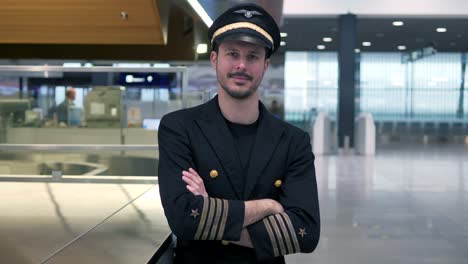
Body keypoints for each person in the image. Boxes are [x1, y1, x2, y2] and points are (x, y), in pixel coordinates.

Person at [157, 3, 320, 263]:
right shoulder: (179, 128)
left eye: (253, 56)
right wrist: (266, 207)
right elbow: (183, 219)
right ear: (215, 59)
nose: (241, 65)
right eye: (232, 53)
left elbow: (306, 233)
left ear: (265, 65)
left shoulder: (293, 141)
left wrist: (210, 216)